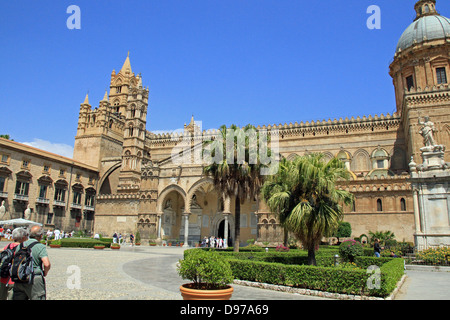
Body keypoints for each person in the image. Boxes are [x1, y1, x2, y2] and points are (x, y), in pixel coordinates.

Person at [13, 225, 51, 300]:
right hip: (34, 278)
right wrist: (45, 272)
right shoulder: (40, 246)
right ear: (41, 236)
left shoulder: (20, 245)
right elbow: (47, 264)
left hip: (19, 278)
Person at [0, 228, 28, 300]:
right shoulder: (23, 248)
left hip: (4, 276)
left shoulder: (9, 246)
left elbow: (1, 251)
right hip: (14, 278)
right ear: (23, 237)